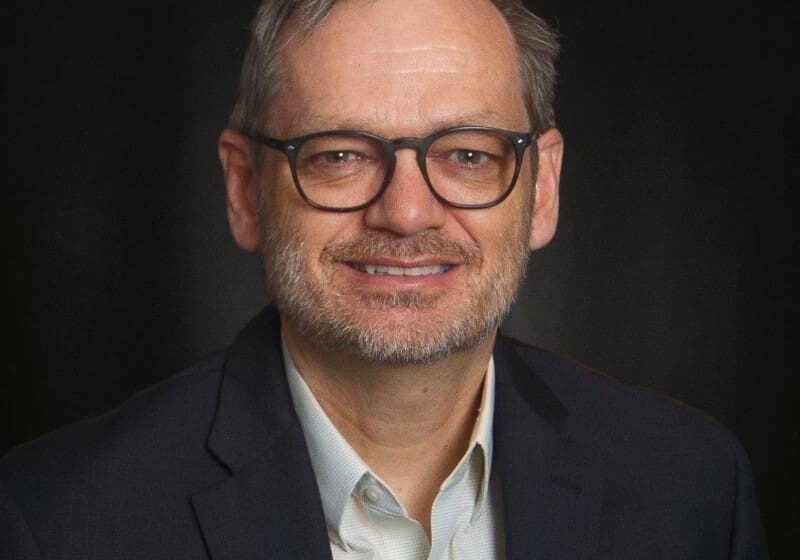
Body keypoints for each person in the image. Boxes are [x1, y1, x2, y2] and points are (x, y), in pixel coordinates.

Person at [0, 0, 768, 558]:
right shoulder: (54, 522)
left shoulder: (692, 488)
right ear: (244, 191)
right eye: (339, 154)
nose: (405, 213)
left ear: (541, 190)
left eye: (468, 154)